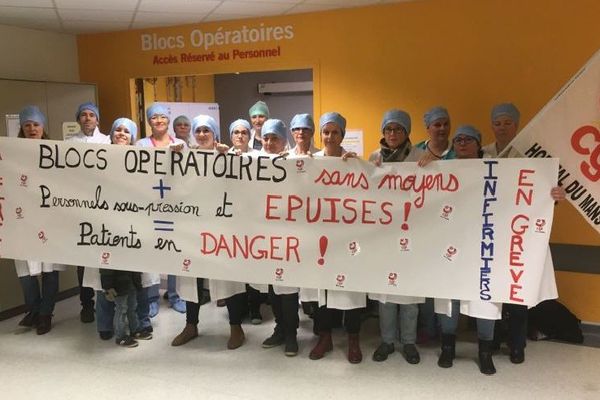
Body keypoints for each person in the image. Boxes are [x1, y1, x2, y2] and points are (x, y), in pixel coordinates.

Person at [484, 103, 564, 364]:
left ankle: (517, 344)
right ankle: (493, 339)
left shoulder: (532, 156)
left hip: (521, 236)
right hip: (491, 234)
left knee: (517, 290)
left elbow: (547, 189)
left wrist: (555, 194)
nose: (502, 127)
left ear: (516, 125)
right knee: (493, 289)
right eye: (498, 123)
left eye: (507, 122)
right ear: (492, 126)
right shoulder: (482, 154)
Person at [433, 125, 501, 375]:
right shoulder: (442, 169)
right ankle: (448, 347)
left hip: (483, 244)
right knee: (449, 295)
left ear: (478, 144)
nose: (462, 143)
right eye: (458, 139)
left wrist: (550, 194)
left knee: (485, 296)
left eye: (468, 139)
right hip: (450, 243)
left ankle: (484, 351)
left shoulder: (495, 169)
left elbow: (520, 192)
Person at [309, 112, 365, 364]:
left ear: (342, 135)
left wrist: (356, 166)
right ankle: (325, 336)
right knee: (323, 287)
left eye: (335, 132)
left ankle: (353, 338)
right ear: (320, 135)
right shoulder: (311, 162)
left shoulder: (352, 161)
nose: (330, 136)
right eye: (326, 132)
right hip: (320, 236)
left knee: (352, 287)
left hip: (348, 236)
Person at [368, 109, 422, 364]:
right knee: (385, 294)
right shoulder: (374, 157)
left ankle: (409, 343)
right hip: (384, 235)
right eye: (388, 129)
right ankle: (387, 341)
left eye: (398, 129)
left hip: (411, 234)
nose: (392, 134)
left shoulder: (420, 157)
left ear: (406, 132)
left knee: (410, 294)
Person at [171, 115, 229, 347]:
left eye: (207, 130)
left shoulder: (225, 156)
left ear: (215, 133)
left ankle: (236, 327)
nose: (203, 134)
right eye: (199, 130)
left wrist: (229, 155)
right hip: (192, 226)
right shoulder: (184, 156)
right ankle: (191, 325)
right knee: (191, 275)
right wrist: (173, 154)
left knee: (226, 277)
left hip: (220, 226)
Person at [14, 106, 66, 335]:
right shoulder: (11, 152)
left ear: (43, 127)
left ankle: (45, 314)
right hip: (21, 219)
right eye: (28, 125)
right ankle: (34, 309)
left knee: (49, 269)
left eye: (36, 124)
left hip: (48, 218)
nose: (32, 128)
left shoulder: (55, 152)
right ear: (22, 128)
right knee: (26, 271)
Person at [136, 103, 187, 316]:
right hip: (150, 206)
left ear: (168, 120)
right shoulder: (140, 145)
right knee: (151, 251)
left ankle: (175, 295)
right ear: (149, 121)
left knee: (175, 249)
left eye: (163, 117)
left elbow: (189, 174)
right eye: (154, 117)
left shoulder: (181, 144)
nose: (159, 121)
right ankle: (151, 297)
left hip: (174, 206)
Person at [256, 119, 300, 356]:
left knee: (288, 287)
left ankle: (292, 335)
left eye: (275, 138)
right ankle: (279, 329)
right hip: (264, 235)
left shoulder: (294, 163)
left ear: (285, 140)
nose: (270, 142)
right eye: (266, 138)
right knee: (272, 288)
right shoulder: (253, 163)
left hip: (289, 235)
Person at [66, 102, 110, 323]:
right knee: (82, 258)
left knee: (104, 255)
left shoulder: (108, 142)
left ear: (97, 119)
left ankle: (106, 302)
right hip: (81, 207)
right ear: (78, 119)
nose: (87, 118)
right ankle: (86, 304)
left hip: (104, 207)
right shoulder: (68, 144)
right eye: (82, 115)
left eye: (91, 115)